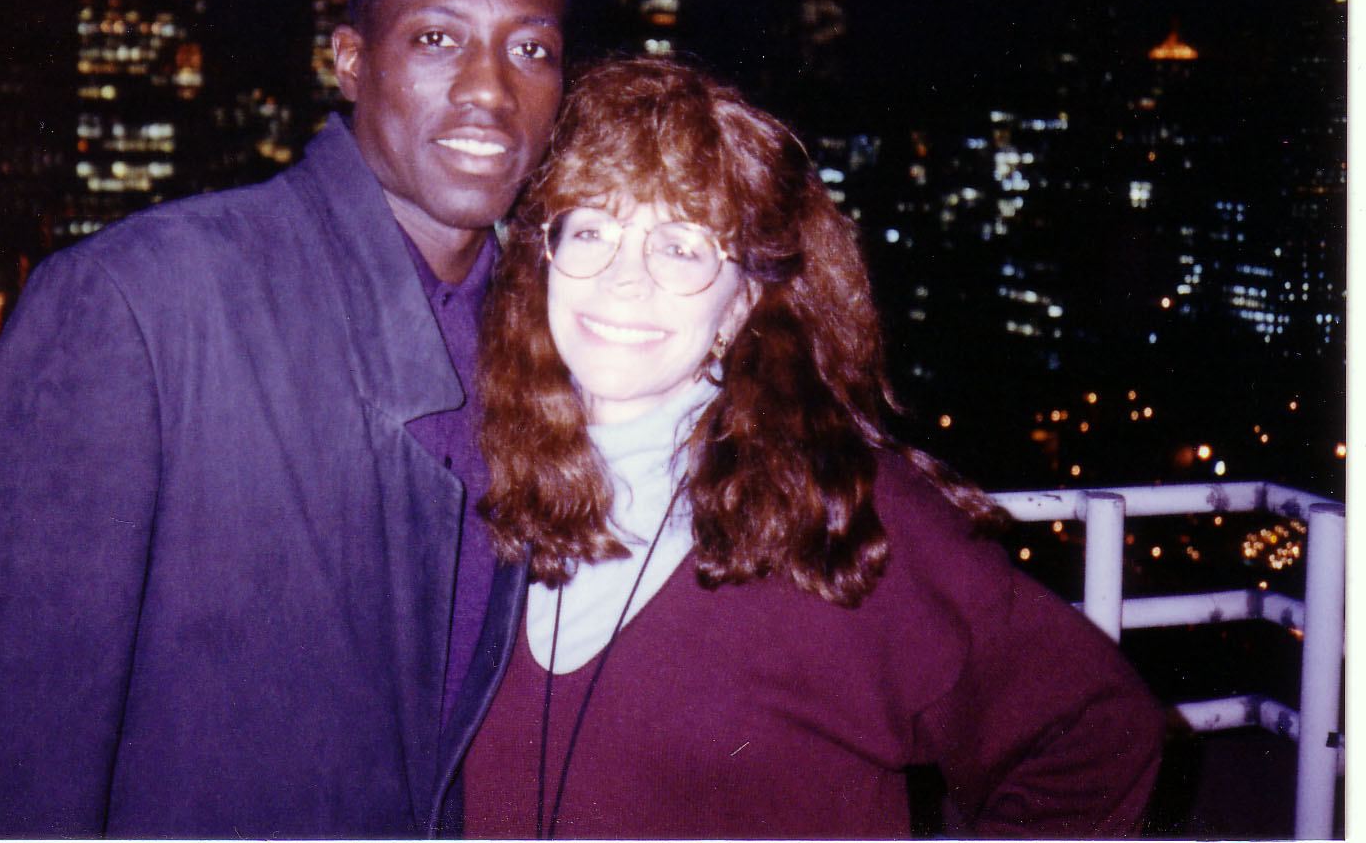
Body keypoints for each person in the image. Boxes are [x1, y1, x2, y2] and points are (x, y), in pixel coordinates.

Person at [0, 0, 568, 838]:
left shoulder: (560, 342)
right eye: (438, 40)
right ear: (348, 61)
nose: (492, 90)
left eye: (531, 50)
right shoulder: (144, 298)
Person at [464, 57, 1165, 839]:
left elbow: (1097, 732)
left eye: (683, 246)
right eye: (592, 229)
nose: (625, 279)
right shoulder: (476, 486)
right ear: (543, 264)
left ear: (741, 306)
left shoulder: (837, 510)